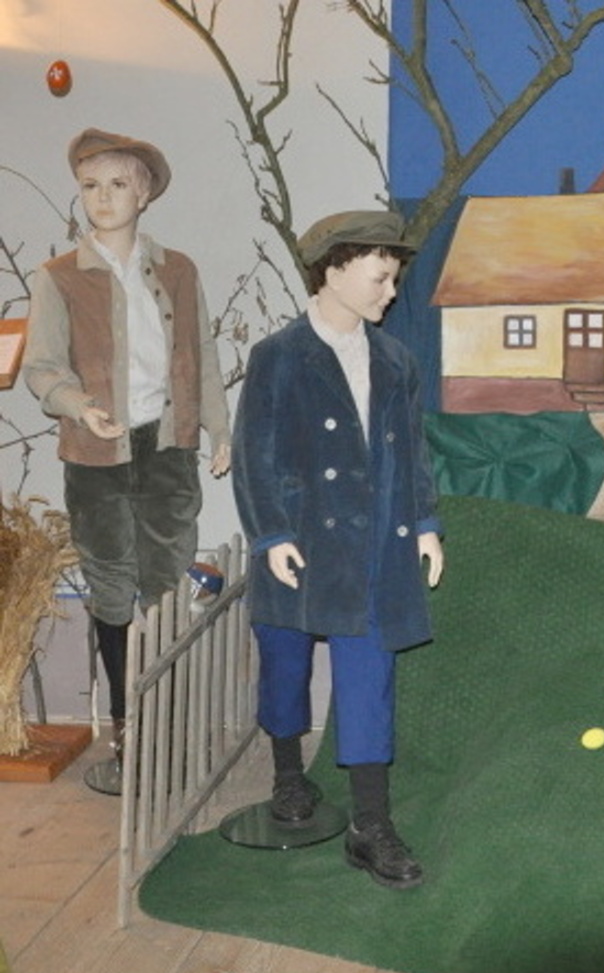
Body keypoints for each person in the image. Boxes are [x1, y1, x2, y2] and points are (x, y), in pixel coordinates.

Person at [231, 210, 443, 890]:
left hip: (374, 544)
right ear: (334, 269)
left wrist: (425, 523)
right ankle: (288, 774)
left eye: (395, 279)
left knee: (367, 679)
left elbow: (412, 453)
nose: (391, 292)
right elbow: (253, 455)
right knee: (285, 664)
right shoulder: (278, 356)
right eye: (381, 277)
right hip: (299, 539)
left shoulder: (395, 360)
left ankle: (370, 824)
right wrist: (271, 534)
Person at [23, 128, 232, 774]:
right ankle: (127, 730)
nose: (103, 197)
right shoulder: (58, 277)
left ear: (144, 194)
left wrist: (219, 429)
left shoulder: (178, 270)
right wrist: (77, 403)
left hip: (167, 448)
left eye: (118, 184)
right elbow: (41, 366)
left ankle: (167, 724)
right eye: (90, 185)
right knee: (112, 588)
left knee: (167, 584)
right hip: (96, 456)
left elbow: (201, 353)